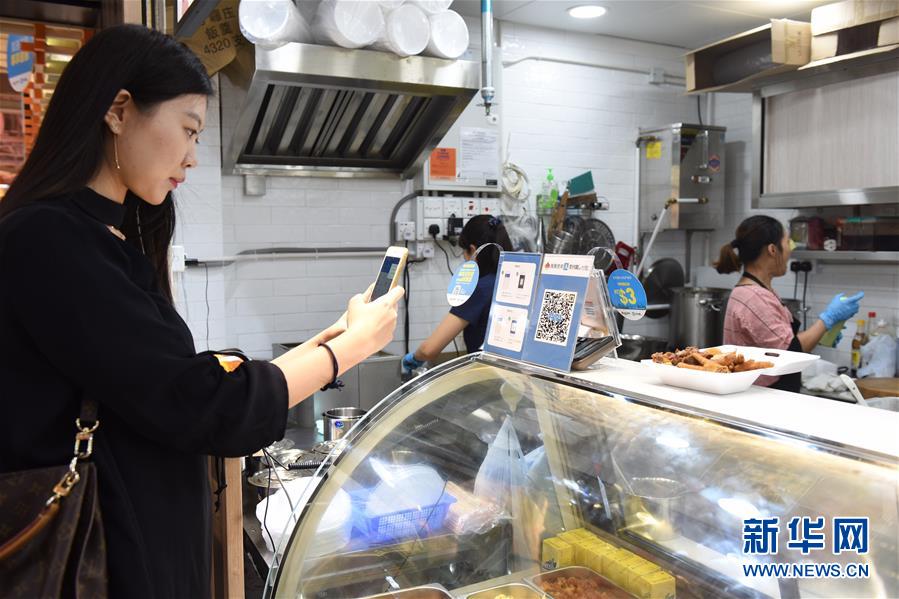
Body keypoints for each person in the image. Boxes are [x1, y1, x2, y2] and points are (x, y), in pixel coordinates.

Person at [0, 25, 403, 599]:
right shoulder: (48, 240)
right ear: (119, 110)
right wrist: (350, 351)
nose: (192, 157)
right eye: (188, 130)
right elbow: (197, 402)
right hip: (100, 563)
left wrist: (334, 336)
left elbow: (155, 380)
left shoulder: (102, 236)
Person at [715, 215, 863, 392]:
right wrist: (827, 320)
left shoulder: (759, 291)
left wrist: (821, 335)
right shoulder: (753, 297)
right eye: (788, 243)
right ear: (772, 250)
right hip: (763, 398)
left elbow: (777, 341)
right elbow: (790, 351)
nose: (790, 251)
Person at [402, 215, 513, 371]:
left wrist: (415, 357)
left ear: (473, 250)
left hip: (490, 378)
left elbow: (429, 349)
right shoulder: (515, 281)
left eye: (464, 251)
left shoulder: (479, 289)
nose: (463, 257)